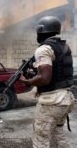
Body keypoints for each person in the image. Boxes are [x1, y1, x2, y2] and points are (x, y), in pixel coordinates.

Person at [19, 16, 75, 148]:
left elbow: (44, 78)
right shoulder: (63, 46)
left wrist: (27, 81)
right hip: (66, 99)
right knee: (58, 133)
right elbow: (56, 74)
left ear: (41, 31)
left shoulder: (43, 49)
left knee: (40, 138)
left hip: (52, 102)